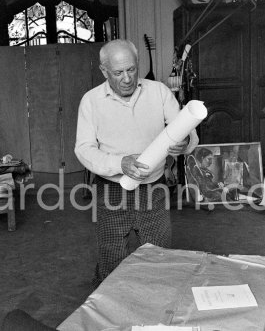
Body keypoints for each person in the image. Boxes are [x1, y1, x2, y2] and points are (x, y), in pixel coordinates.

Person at [74, 39, 198, 285]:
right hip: (111, 190)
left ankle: (156, 307)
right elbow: (84, 149)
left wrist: (184, 143)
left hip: (154, 187)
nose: (127, 78)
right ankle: (112, 310)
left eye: (131, 70)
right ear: (104, 71)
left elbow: (188, 132)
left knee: (159, 255)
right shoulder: (91, 101)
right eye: (118, 73)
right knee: (112, 258)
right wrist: (119, 163)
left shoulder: (158, 92)